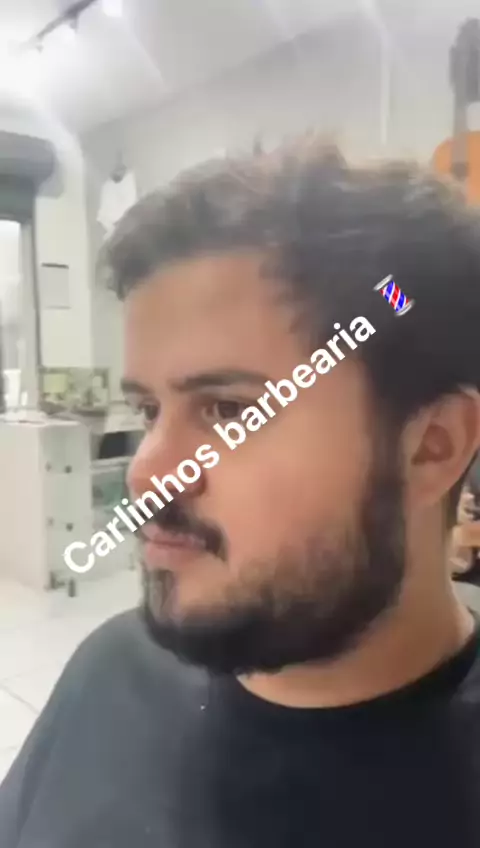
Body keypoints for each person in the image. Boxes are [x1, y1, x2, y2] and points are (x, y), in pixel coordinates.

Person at [1, 137, 480, 848]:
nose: (145, 472)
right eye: (149, 410)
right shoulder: (112, 669)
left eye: (229, 411)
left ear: (431, 447)